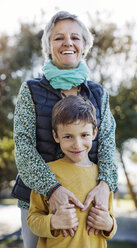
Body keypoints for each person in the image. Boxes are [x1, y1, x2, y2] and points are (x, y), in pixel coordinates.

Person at [11, 10, 118, 248]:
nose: (67, 42)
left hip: (88, 201)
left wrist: (105, 186)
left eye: (75, 37)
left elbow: (108, 145)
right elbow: (24, 146)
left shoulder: (98, 93)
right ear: (48, 46)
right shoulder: (30, 90)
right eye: (58, 38)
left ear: (84, 45)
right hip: (39, 203)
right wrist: (52, 189)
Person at [27, 95, 117, 248]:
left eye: (84, 135)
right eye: (68, 136)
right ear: (56, 136)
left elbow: (111, 220)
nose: (77, 144)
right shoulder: (47, 173)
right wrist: (53, 222)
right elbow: (33, 219)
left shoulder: (103, 178)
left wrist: (108, 225)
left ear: (94, 133)